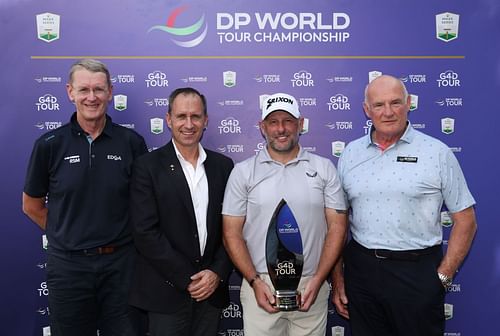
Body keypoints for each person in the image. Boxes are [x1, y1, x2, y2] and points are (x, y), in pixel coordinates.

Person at [331, 75, 477, 336]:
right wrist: (339, 278)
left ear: (409, 103)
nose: (387, 112)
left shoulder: (437, 152)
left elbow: (466, 221)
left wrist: (442, 277)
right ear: (367, 110)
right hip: (361, 272)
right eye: (378, 105)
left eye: (395, 103)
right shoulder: (350, 153)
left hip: (417, 273)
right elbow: (338, 224)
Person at [22, 59, 148, 336]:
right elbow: (31, 205)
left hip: (121, 267)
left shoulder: (131, 143)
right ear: (70, 92)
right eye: (83, 90)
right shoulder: (49, 145)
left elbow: (144, 205)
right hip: (68, 268)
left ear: (110, 92)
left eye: (99, 89)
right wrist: (66, 234)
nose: (92, 97)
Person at [222, 92, 348, 335]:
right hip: (261, 286)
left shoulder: (323, 168)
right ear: (262, 127)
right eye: (273, 122)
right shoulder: (243, 172)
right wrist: (254, 282)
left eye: (288, 121)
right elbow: (231, 234)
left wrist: (319, 279)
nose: (281, 129)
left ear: (300, 124)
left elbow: (337, 228)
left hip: (312, 283)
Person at [128, 87, 234, 336]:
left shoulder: (223, 167)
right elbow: (145, 232)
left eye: (195, 116)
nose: (189, 124)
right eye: (181, 116)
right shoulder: (147, 167)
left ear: (205, 121)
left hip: (211, 294)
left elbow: (233, 229)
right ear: (168, 119)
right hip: (166, 294)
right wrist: (189, 279)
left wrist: (216, 273)